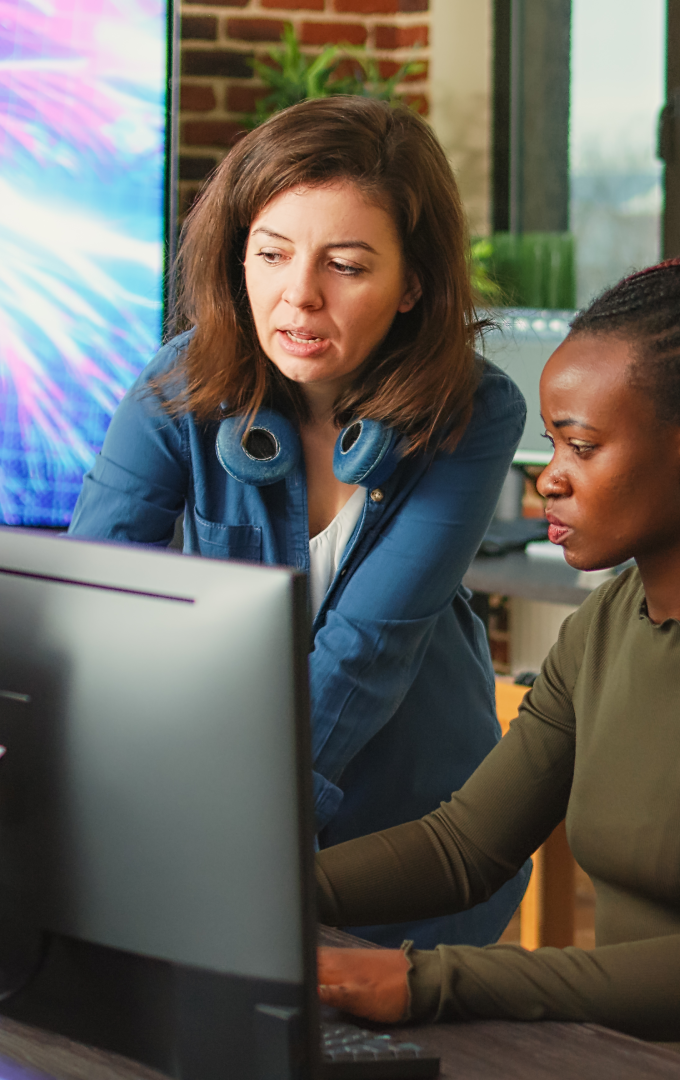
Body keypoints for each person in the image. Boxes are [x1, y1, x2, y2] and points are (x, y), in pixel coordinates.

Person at [310, 221, 680, 1080]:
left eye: (580, 446)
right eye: (551, 442)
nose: (549, 474)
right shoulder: (612, 622)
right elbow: (463, 847)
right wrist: (275, 885)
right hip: (605, 1060)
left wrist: (427, 980)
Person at [67, 96, 529, 949]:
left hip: (412, 850)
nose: (298, 295)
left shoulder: (474, 411)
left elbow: (365, 648)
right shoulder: (179, 385)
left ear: (411, 285)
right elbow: (93, 602)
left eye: (347, 266)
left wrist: (236, 830)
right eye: (271, 254)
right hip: (213, 824)